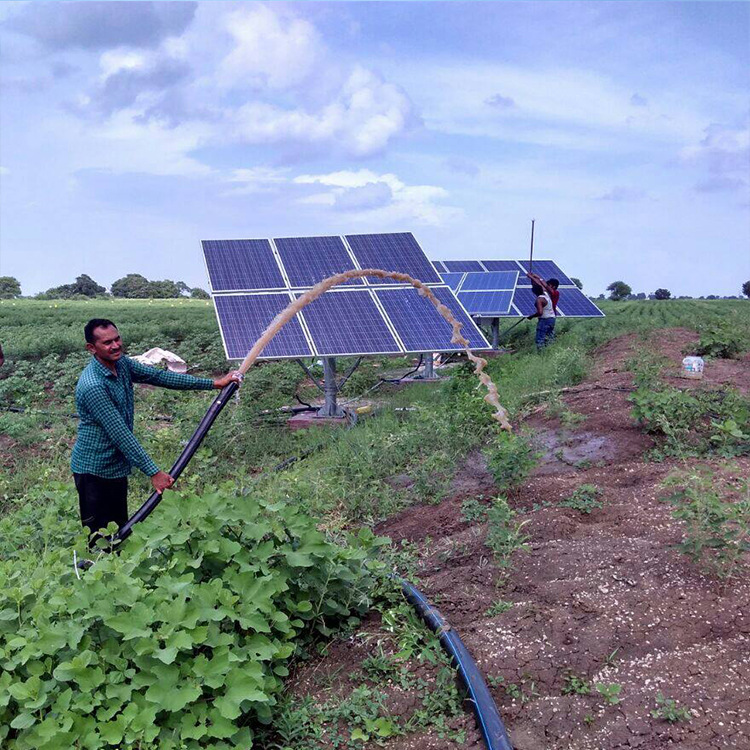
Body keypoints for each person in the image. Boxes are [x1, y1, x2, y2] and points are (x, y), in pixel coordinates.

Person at [71, 318, 242, 540]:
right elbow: (121, 435)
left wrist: (212, 383)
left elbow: (159, 376)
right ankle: (93, 569)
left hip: (115, 466)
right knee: (99, 536)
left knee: (120, 527)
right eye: (107, 343)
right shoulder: (93, 385)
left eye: (117, 339)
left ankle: (119, 568)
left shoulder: (121, 364)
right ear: (91, 348)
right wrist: (154, 472)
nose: (115, 346)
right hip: (93, 469)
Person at [526, 283, 556, 350]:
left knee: (540, 338)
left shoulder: (539, 300)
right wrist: (532, 278)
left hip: (544, 320)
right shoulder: (546, 295)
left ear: (534, 292)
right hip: (552, 319)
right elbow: (539, 285)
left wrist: (532, 316)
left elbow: (540, 312)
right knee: (549, 338)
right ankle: (549, 353)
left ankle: (541, 354)